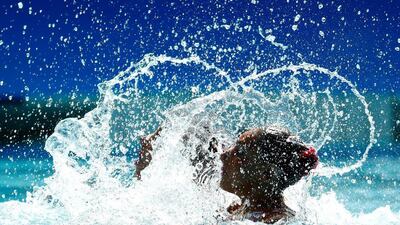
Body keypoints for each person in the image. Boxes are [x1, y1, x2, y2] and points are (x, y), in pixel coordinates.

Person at [135, 125, 318, 224]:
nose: (223, 154)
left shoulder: (274, 221)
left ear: (265, 175)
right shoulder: (239, 209)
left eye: (239, 153)